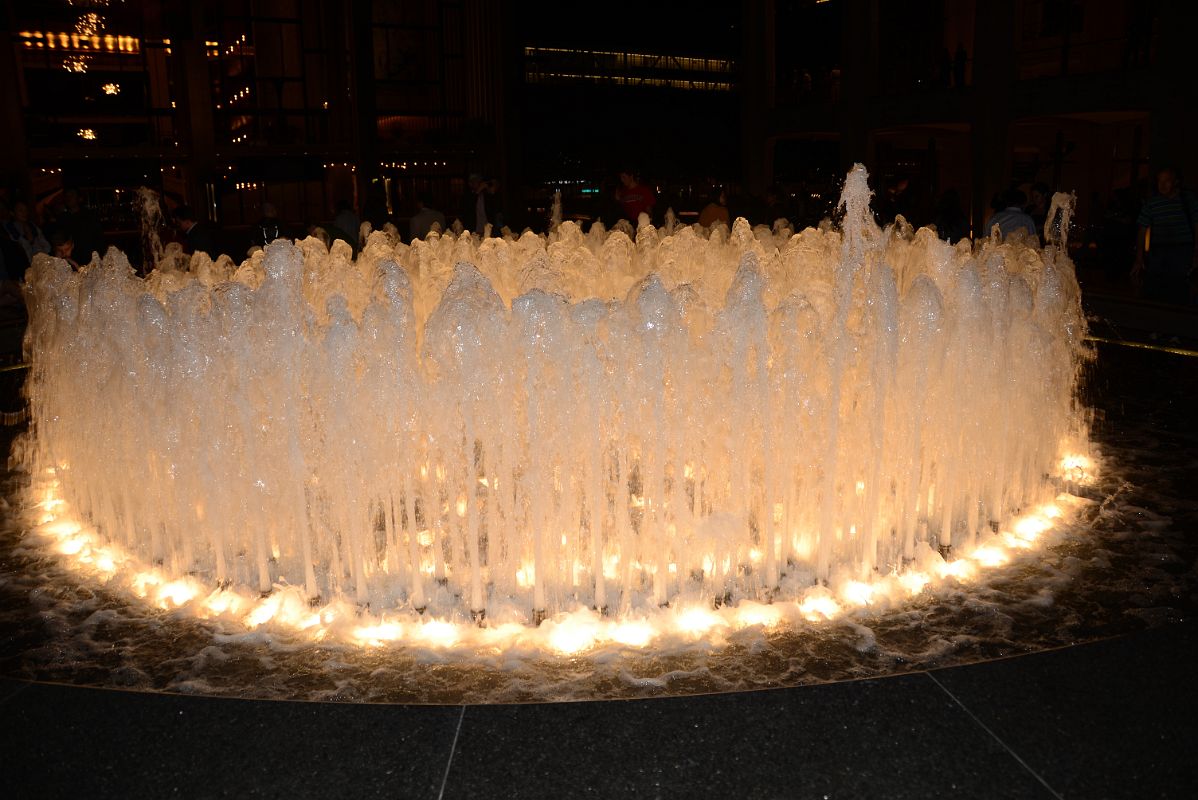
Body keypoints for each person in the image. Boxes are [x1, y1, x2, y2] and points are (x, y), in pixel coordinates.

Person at [1132, 167, 1198, 304]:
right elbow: (1142, 230)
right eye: (1159, 181)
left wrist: (1196, 253)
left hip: (1182, 250)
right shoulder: (1152, 203)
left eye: (1167, 181)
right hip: (1159, 251)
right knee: (1156, 288)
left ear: (1175, 182)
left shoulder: (1188, 199)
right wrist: (1139, 258)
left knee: (1179, 289)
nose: (1162, 185)